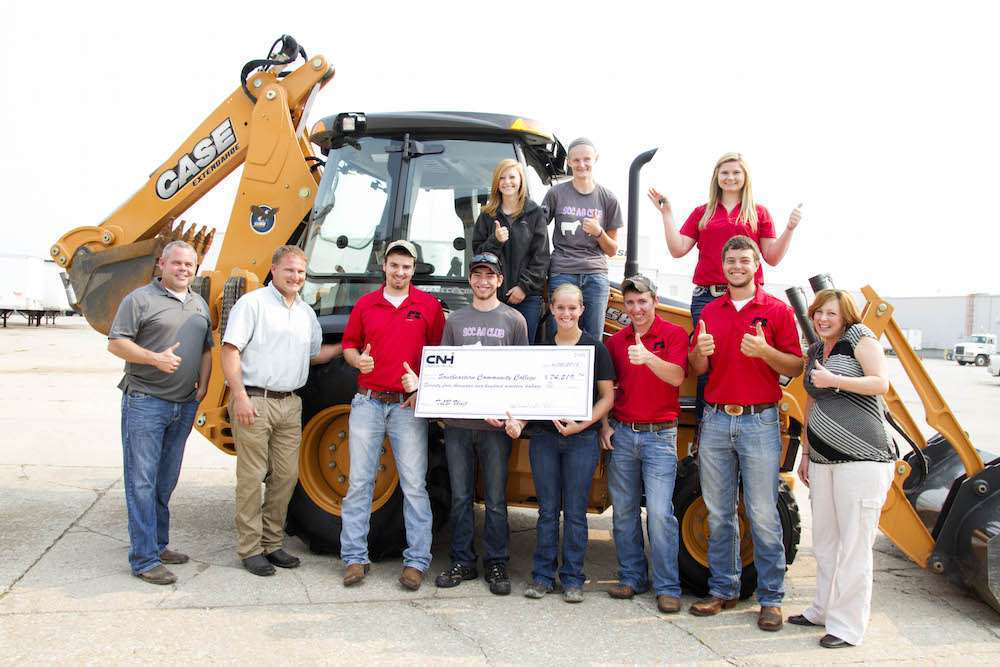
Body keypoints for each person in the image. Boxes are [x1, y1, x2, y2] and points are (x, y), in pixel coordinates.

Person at [687, 235, 803, 631]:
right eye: (731, 261)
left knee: (762, 513)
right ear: (723, 267)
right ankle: (723, 589)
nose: (737, 266)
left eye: (744, 260)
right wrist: (699, 352)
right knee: (719, 513)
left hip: (759, 421)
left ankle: (771, 599)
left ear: (756, 265)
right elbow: (699, 369)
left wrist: (765, 352)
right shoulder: (710, 311)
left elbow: (796, 366)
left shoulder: (777, 311)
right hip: (717, 419)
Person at [649, 153, 802, 421]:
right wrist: (667, 214)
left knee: (746, 360)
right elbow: (678, 249)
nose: (730, 178)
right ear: (716, 178)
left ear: (745, 178)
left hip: (748, 298)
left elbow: (772, 256)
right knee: (706, 362)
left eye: (736, 173)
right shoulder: (703, 212)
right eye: (725, 173)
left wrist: (789, 229)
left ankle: (752, 421)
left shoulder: (758, 212)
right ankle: (705, 430)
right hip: (708, 298)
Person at [221, 245, 341, 576]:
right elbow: (230, 351)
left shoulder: (305, 313)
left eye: (301, 272)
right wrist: (239, 396)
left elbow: (313, 355)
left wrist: (344, 348)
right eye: (289, 270)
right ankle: (250, 549)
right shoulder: (253, 304)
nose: (295, 277)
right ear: (274, 270)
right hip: (255, 400)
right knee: (251, 477)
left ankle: (272, 543)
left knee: (286, 476)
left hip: (290, 403)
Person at [789, 289, 896, 649]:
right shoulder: (817, 350)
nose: (822, 319)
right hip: (823, 461)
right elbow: (811, 402)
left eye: (830, 314)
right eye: (818, 313)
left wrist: (835, 380)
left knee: (854, 546)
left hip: (862, 460)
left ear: (845, 315)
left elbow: (880, 383)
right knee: (826, 542)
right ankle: (822, 609)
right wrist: (806, 451)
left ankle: (848, 627)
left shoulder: (860, 339)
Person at [339, 240, 445, 591]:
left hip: (406, 407)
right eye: (394, 265)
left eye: (406, 266)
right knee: (359, 483)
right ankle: (354, 557)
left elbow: (439, 356)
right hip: (368, 402)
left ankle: (416, 562)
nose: (400, 272)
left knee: (414, 485)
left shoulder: (429, 307)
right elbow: (349, 344)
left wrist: (421, 386)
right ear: (383, 266)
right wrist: (357, 360)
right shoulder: (366, 304)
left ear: (414, 270)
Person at [108, 240, 213, 585]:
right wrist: (155, 358)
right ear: (162, 264)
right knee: (142, 480)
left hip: (184, 404)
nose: (184, 269)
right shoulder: (139, 300)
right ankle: (144, 558)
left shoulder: (198, 303)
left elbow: (207, 349)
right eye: (177, 263)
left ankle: (158, 544)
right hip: (146, 401)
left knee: (165, 480)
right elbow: (116, 343)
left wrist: (204, 385)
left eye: (189, 265)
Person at [432, 252, 529, 595]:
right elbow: (444, 368)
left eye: (490, 275)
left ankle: (496, 562)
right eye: (477, 275)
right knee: (460, 496)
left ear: (500, 280)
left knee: (496, 499)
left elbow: (522, 375)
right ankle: (462, 560)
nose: (483, 281)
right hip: (459, 425)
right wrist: (438, 406)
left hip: (495, 429)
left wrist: (514, 417)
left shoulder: (515, 320)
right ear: (470, 279)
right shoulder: (455, 320)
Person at [600, 275, 688, 613]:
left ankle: (667, 587)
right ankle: (632, 576)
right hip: (623, 433)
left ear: (655, 300)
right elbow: (606, 390)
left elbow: (677, 376)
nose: (636, 309)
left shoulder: (674, 334)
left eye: (642, 301)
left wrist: (648, 357)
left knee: (661, 514)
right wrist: (604, 425)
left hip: (660, 436)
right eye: (630, 303)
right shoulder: (615, 342)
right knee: (623, 512)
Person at [523, 283, 615, 603]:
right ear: (551, 308)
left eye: (572, 308)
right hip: (544, 439)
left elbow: (607, 397)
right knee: (547, 510)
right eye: (560, 307)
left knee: (575, 511)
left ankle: (573, 578)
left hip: (582, 440)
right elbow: (530, 393)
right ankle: (542, 576)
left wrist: (582, 424)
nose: (566, 313)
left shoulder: (595, 348)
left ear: (582, 310)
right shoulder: (541, 349)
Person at [543, 137, 623, 339]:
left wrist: (599, 232)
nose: (581, 165)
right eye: (576, 160)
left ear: (595, 159)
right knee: (559, 336)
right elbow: (537, 229)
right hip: (562, 271)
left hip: (595, 274)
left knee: (592, 338)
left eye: (587, 159)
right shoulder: (555, 193)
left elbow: (612, 250)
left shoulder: (608, 198)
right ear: (569, 162)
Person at [472, 159, 549, 343]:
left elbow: (541, 257)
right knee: (491, 348)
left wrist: (524, 287)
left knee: (522, 350)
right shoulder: (487, 215)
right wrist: (495, 241)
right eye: (502, 178)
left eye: (512, 177)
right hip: (491, 297)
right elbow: (477, 256)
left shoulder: (535, 213)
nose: (507, 182)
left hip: (527, 299)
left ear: (521, 180)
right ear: (496, 183)